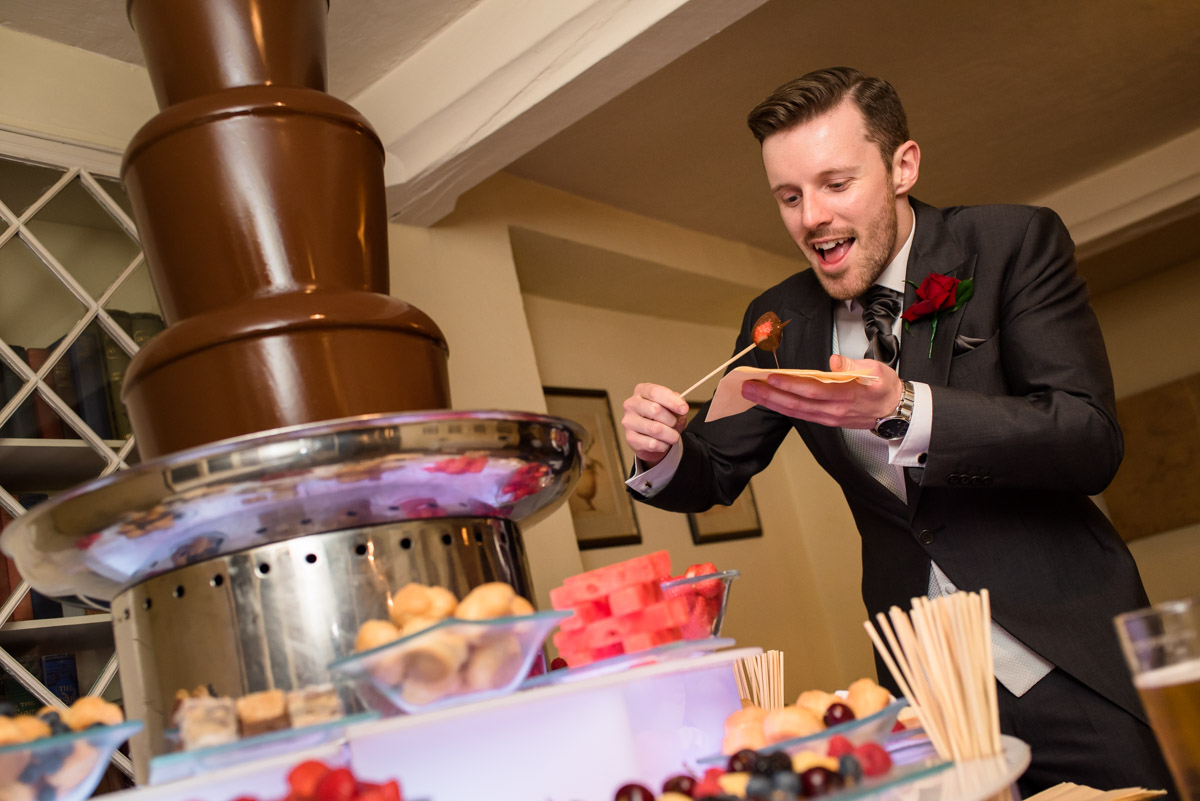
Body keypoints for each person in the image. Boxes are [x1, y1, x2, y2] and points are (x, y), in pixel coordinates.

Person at [620, 67, 1176, 797]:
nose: (812, 218)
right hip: (922, 691)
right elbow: (715, 470)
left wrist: (909, 408)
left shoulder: (1011, 242)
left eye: (836, 184)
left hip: (1068, 655)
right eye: (789, 196)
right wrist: (662, 451)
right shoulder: (781, 319)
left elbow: (1088, 437)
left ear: (903, 166)